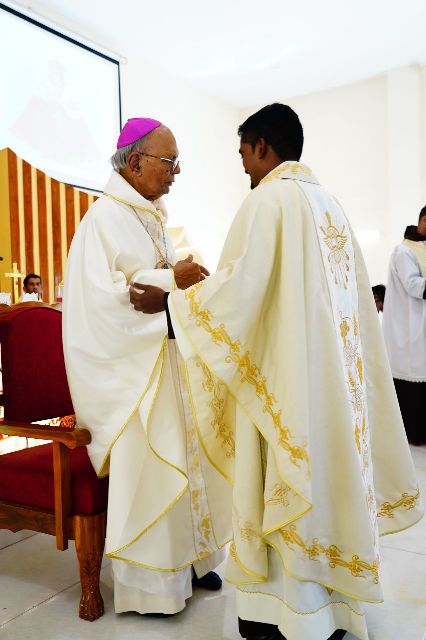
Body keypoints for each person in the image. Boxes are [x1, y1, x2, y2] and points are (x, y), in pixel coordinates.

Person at [130, 104, 422, 640]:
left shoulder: (268, 201)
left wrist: (169, 305)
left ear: (263, 146)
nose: (243, 165)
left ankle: (284, 617)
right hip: (332, 392)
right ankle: (332, 613)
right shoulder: (330, 205)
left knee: (285, 490)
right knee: (327, 491)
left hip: (286, 388)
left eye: (244, 153)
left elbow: (240, 293)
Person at [63, 117, 230, 619]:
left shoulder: (150, 215)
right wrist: (171, 277)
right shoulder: (102, 220)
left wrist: (183, 283)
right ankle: (154, 588)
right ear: (135, 162)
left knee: (187, 462)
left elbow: (154, 286)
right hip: (133, 375)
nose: (176, 172)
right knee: (154, 473)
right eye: (170, 162)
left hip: (164, 360)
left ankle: (193, 563)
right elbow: (104, 302)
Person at [382, 207, 426, 445]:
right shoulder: (404, 251)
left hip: (421, 330)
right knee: (413, 386)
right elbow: (413, 285)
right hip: (410, 329)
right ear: (423, 221)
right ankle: (414, 435)